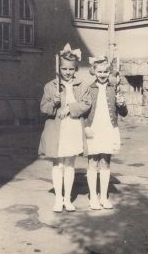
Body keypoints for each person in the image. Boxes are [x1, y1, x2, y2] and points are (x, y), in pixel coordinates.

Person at [38, 44, 91, 213]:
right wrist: (54, 102)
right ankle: (58, 199)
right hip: (56, 129)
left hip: (73, 127)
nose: (68, 72)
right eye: (64, 68)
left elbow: (87, 104)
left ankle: (68, 199)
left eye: (71, 69)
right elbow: (43, 108)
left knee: (69, 163)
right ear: (59, 68)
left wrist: (69, 107)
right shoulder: (50, 86)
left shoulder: (82, 85)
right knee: (57, 164)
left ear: (75, 68)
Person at [84, 55, 128, 210]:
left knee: (105, 162)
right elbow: (83, 111)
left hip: (109, 129)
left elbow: (123, 113)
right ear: (94, 72)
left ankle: (103, 197)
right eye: (99, 72)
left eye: (105, 72)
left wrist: (122, 104)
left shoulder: (113, 89)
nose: (102, 75)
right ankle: (93, 197)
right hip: (94, 129)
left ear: (110, 73)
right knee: (93, 162)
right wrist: (86, 126)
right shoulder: (88, 89)